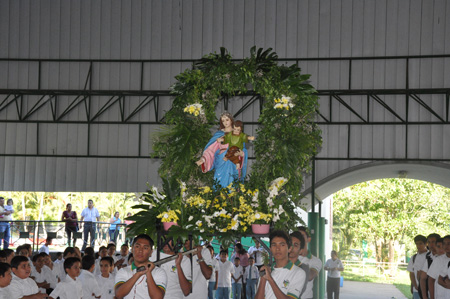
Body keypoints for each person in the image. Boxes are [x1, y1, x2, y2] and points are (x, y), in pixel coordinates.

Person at [195, 112, 249, 188]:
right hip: (221, 161)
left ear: (231, 120)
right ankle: (219, 198)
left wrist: (242, 154)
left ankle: (232, 198)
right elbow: (211, 150)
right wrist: (203, 159)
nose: (225, 122)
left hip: (233, 162)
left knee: (232, 182)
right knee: (219, 182)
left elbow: (243, 150)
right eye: (223, 120)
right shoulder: (219, 134)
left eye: (227, 120)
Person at [255, 230, 306, 299]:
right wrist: (263, 279)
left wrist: (270, 279)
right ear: (270, 249)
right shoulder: (266, 271)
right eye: (274, 245)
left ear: (289, 248)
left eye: (282, 245)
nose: (277, 248)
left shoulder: (298, 273)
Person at [115, 234, 167, 299]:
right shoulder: (123, 271)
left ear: (151, 252)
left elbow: (158, 297)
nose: (140, 251)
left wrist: (148, 272)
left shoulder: (159, 272)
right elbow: (119, 294)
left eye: (145, 248)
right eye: (137, 246)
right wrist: (138, 274)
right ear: (132, 249)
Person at [298, 226, 323, 299]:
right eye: (296, 236)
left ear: (308, 239)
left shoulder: (315, 261)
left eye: (302, 236)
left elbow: (310, 276)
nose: (299, 239)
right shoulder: (287, 257)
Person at [418, 233, 441, 299]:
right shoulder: (429, 257)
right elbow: (422, 278)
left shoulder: (445, 257)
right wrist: (424, 296)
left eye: (433, 242)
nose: (431, 245)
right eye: (429, 242)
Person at [428, 235, 450, 299]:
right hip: (440, 296)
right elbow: (431, 280)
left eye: (449, 243)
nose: (446, 246)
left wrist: (443, 279)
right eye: (444, 244)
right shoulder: (438, 260)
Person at [407, 235, 428, 299]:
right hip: (416, 290)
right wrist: (414, 286)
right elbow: (411, 273)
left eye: (421, 244)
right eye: (417, 244)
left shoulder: (429, 256)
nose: (418, 246)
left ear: (425, 244)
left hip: (427, 290)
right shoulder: (414, 257)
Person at [289, 231, 309, 297]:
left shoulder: (303, 269)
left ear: (301, 251)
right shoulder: (277, 265)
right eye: (290, 244)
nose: (291, 247)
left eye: (295, 245)